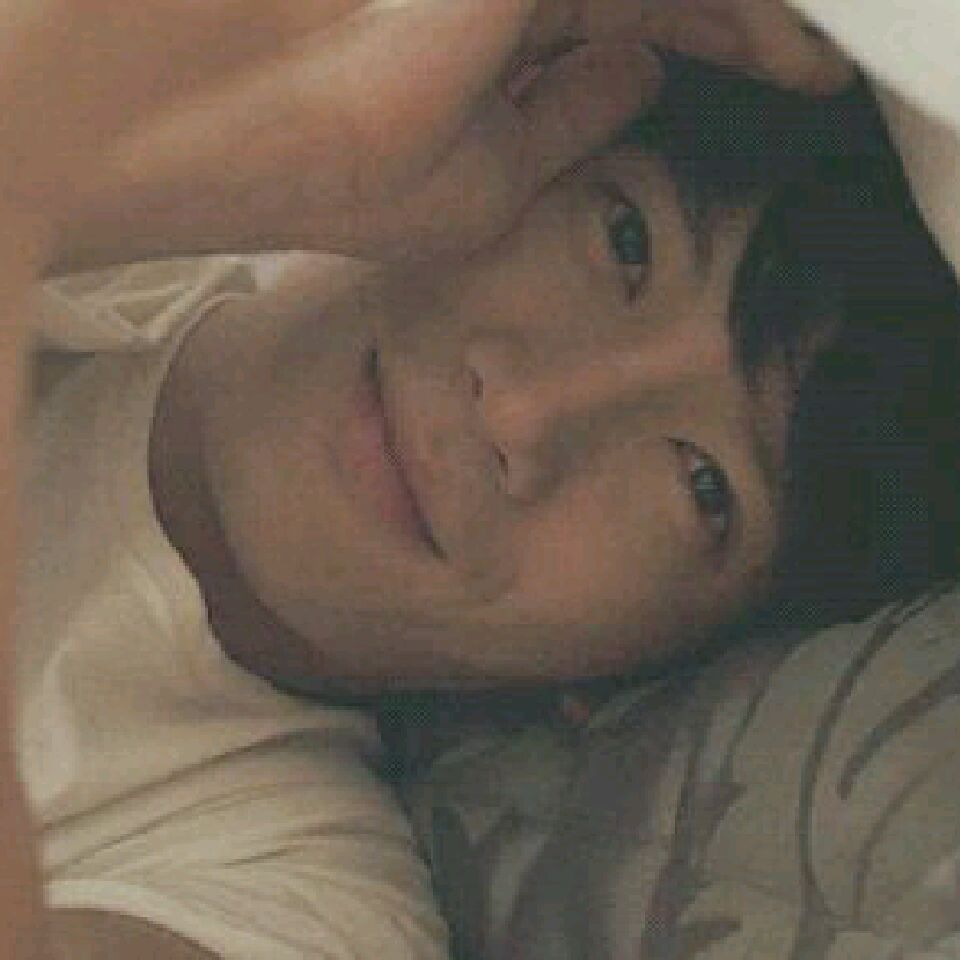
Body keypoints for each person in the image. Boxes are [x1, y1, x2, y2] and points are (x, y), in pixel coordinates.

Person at [0, 1, 953, 958]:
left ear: (640, 675)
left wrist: (30, 180)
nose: (525, 416)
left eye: (702, 484)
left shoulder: (294, 904)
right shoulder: (139, 90)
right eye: (627, 240)